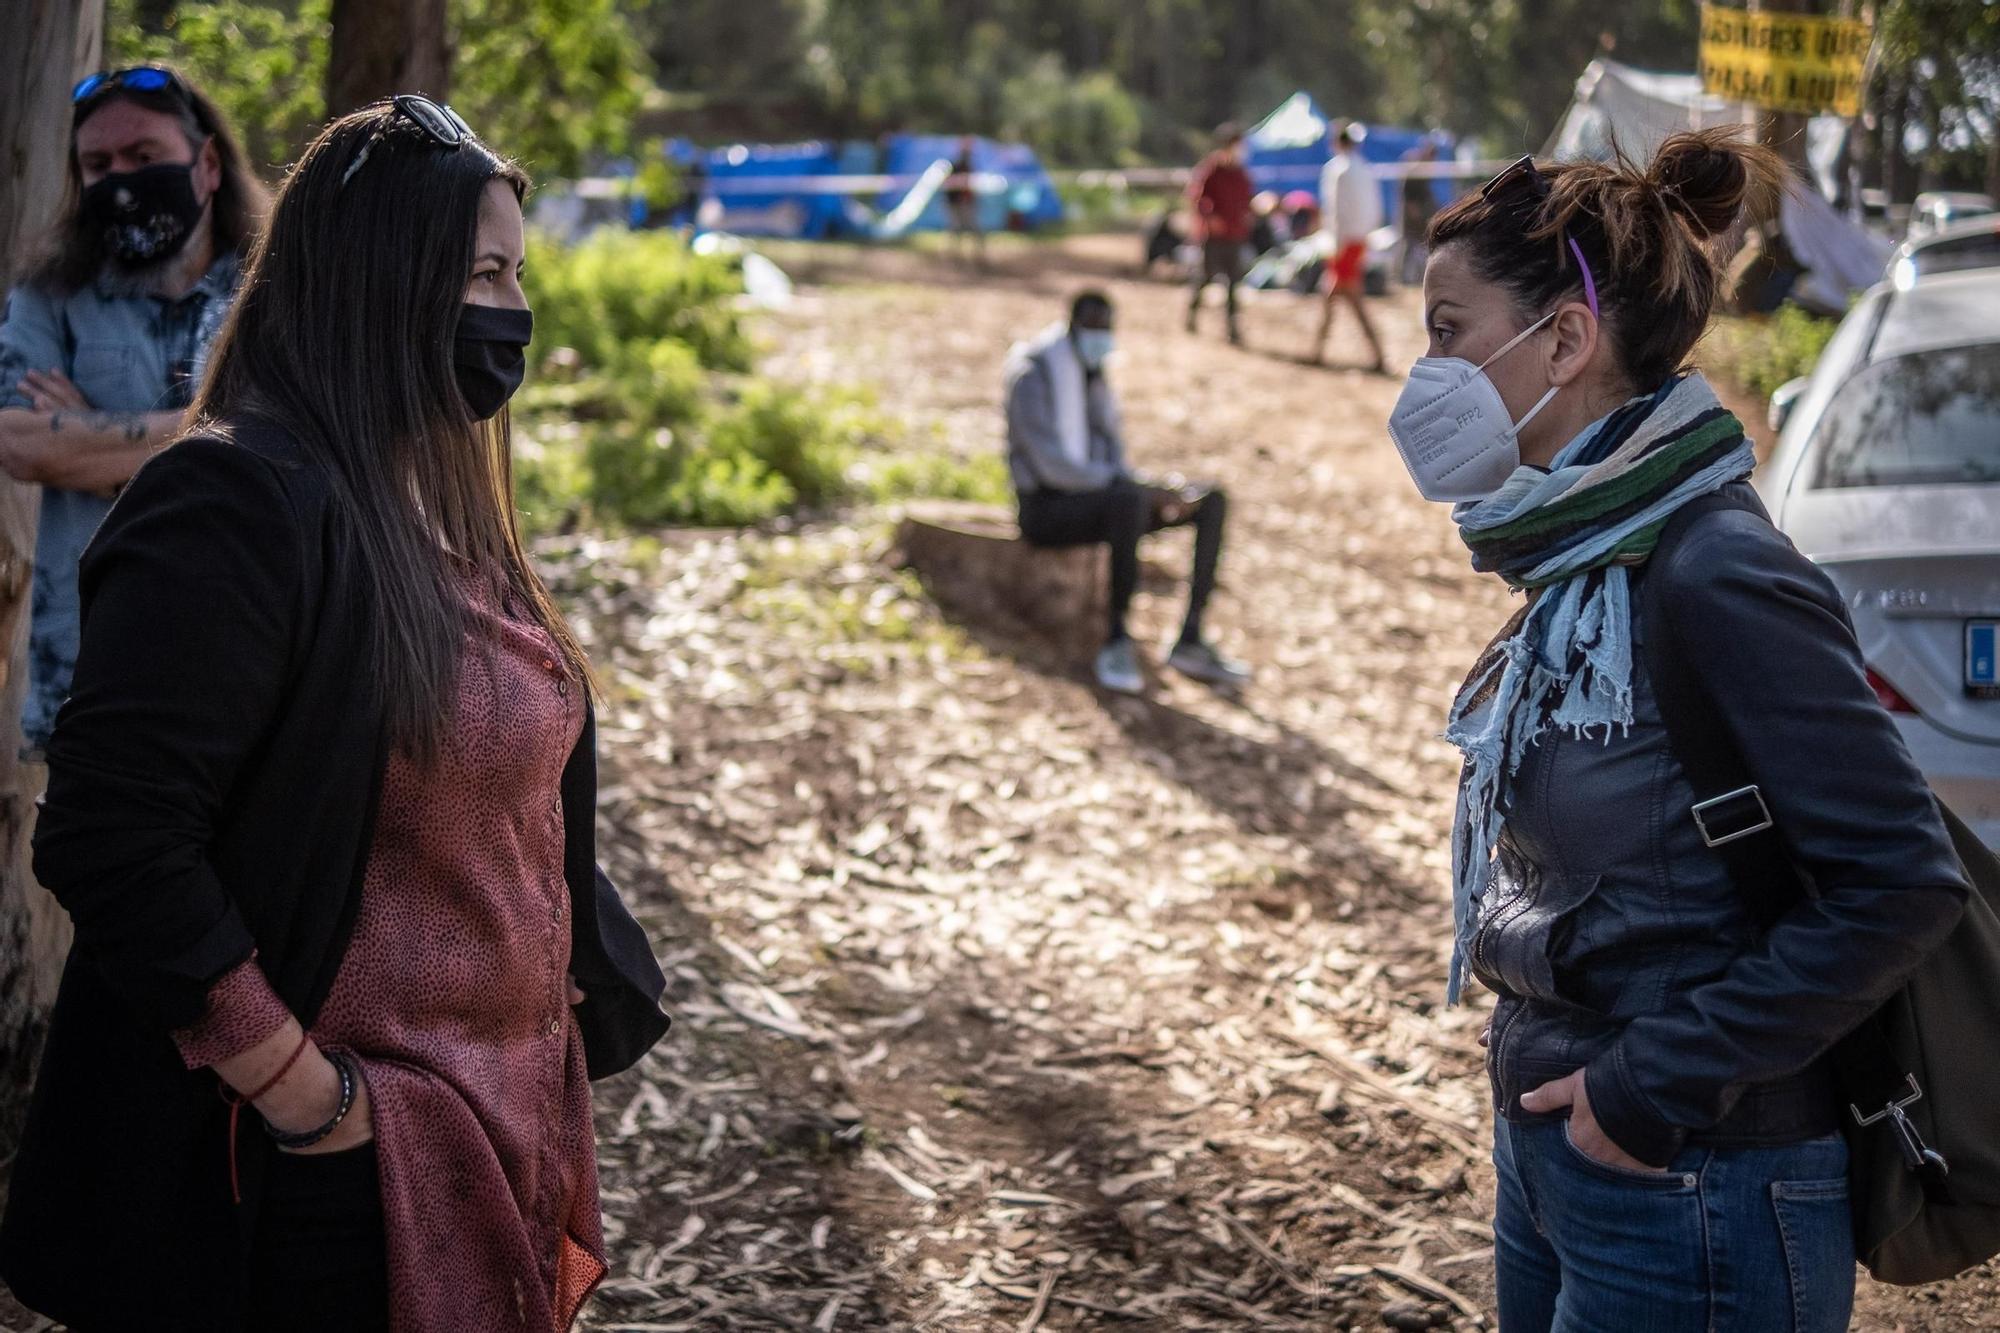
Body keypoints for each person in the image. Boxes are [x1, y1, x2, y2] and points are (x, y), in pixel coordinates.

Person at [0, 96, 671, 1332]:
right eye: (482, 270)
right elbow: (111, 832)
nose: (510, 308)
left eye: (516, 272)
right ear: (381, 280)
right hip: (331, 1176)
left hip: (491, 1121)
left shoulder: (434, 507)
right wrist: (306, 1097)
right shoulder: (236, 500)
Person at [1395, 129, 1969, 1331]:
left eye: (1447, 330)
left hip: (1691, 1181)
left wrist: (1650, 1085)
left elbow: (1900, 880)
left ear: (1563, 338)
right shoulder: (1579, 555)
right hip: (1565, 1159)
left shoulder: (1713, 571)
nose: (1423, 369)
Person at [0, 66, 263, 759]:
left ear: (206, 165)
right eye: (98, 164)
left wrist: (91, 437)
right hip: (91, 678)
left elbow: (296, 445)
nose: (120, 179)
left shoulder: (277, 292)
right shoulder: (49, 295)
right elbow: (19, 440)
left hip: (251, 671)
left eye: (143, 158)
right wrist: (221, 430)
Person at [1005, 291, 1248, 695]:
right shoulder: (1033, 373)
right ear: (1073, 326)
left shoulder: (1093, 374)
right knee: (1128, 500)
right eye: (1094, 328)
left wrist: (1156, 488)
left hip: (1105, 496)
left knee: (1209, 500)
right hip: (1046, 508)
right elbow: (1052, 468)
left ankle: (1190, 638)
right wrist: (1132, 487)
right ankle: (1116, 639)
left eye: (1107, 329)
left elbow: (1111, 453)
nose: (1102, 337)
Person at [1311, 123, 1386, 371]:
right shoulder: (1365, 169)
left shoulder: (1338, 170)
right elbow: (1375, 209)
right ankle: (1319, 349)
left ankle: (1375, 354)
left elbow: (1337, 211)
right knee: (1334, 294)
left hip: (1344, 242)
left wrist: (1338, 244)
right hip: (1358, 240)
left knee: (1347, 296)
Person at [1185, 123, 1254, 344]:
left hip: (1235, 235)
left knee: (1234, 283)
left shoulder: (1241, 173)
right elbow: (1198, 197)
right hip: (1213, 236)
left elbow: (1246, 201)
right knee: (1206, 277)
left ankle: (1232, 328)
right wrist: (1210, 217)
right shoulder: (1212, 169)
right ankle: (1192, 314)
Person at [1399, 138, 1440, 287]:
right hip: (1412, 213)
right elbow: (1408, 192)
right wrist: (1412, 210)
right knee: (1410, 243)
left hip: (1422, 213)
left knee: (1421, 243)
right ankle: (1404, 276)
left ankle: (1418, 275)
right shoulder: (1415, 169)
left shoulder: (1427, 168)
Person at [946, 135, 984, 267]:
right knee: (956, 229)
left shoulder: (968, 166)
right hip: (956, 203)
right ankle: (954, 257)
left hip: (966, 203)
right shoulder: (954, 166)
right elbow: (949, 186)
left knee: (972, 229)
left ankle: (978, 256)